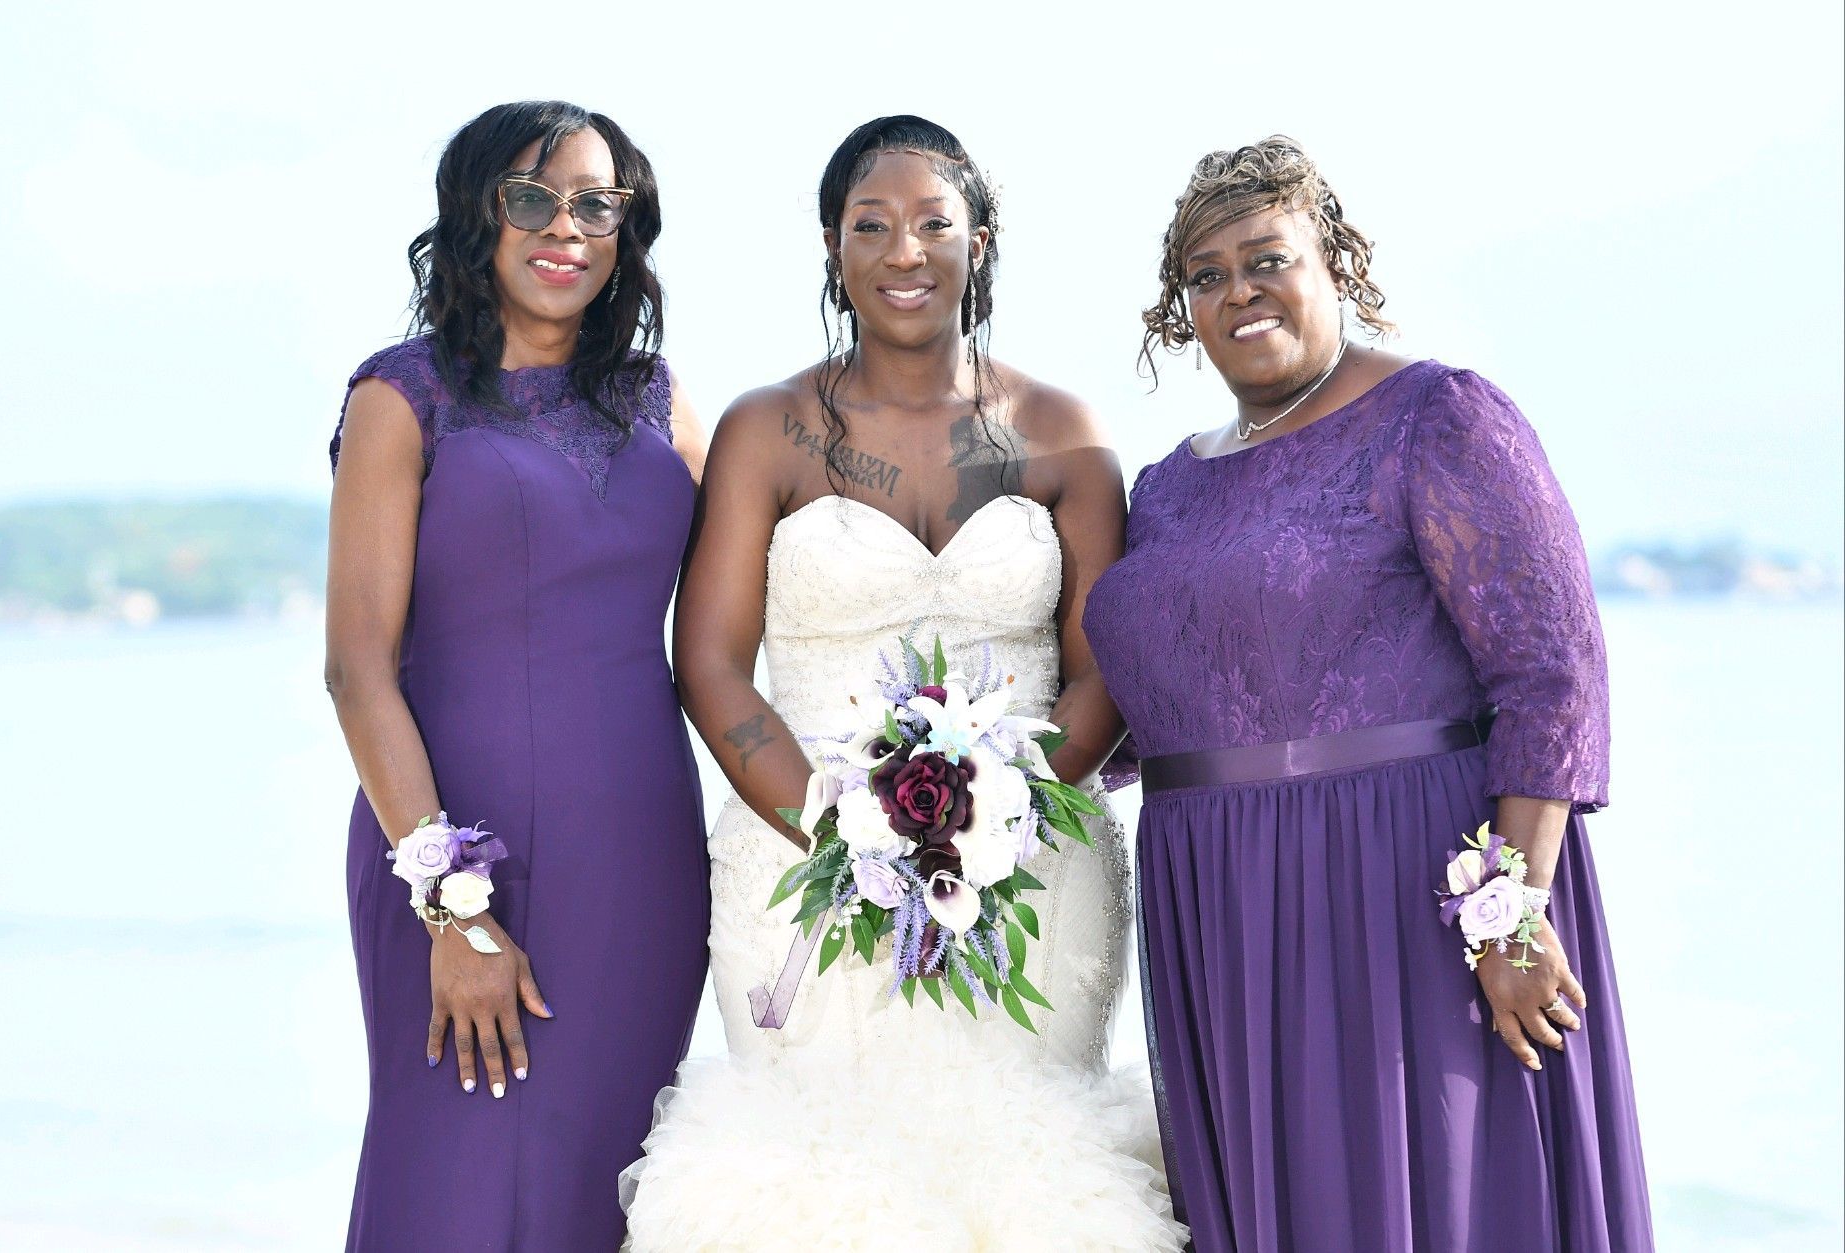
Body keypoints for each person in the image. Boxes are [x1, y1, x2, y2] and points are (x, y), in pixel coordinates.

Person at [620, 115, 1184, 1251]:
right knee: (817, 1182)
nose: (902, 251)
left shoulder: (1061, 432)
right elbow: (712, 663)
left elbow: (1104, 667)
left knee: (1027, 1174)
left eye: (933, 221)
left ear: (983, 238)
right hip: (796, 870)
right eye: (868, 225)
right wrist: (843, 835)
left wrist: (992, 822)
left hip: (1035, 864)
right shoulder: (765, 428)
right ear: (832, 248)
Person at [1083, 135, 1652, 1252]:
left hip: (1401, 890)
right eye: (1203, 275)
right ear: (1177, 310)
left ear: (1334, 262)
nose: (1236, 291)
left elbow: (1551, 673)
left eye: (1264, 258)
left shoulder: (1435, 417)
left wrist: (1511, 912)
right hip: (1222, 905)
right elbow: (1150, 707)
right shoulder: (1163, 487)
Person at [324, 100, 709, 1250]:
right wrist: (453, 905)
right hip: (452, 859)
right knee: (451, 1185)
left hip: (641, 866)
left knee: (607, 1187)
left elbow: (757, 614)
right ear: (475, 215)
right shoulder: (403, 397)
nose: (565, 228)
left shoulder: (656, 397)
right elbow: (355, 668)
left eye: (596, 203)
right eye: (530, 198)